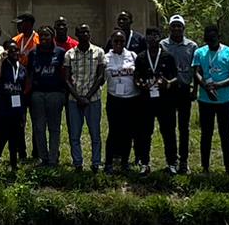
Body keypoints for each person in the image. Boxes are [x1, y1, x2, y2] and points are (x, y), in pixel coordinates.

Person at [192, 21, 229, 175]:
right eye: (207, 39)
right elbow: (197, 72)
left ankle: (228, 167)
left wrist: (217, 85)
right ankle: (205, 167)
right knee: (206, 133)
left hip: (225, 100)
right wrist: (205, 86)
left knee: (225, 133)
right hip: (205, 100)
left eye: (213, 38)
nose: (210, 42)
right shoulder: (200, 53)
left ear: (219, 37)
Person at [61, 21, 105, 171]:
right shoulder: (69, 54)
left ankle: (96, 162)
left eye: (87, 32)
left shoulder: (99, 52)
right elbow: (66, 79)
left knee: (95, 134)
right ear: (77, 35)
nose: (85, 34)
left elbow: (100, 77)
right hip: (74, 100)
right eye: (81, 32)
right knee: (74, 134)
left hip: (93, 99)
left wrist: (87, 96)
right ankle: (78, 163)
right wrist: (78, 97)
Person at [152, 15, 193, 173]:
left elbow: (195, 69)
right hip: (167, 92)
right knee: (168, 127)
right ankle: (172, 160)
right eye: (173, 26)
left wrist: (194, 89)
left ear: (183, 28)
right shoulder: (162, 45)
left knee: (184, 128)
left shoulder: (191, 46)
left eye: (179, 26)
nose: (176, 29)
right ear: (169, 28)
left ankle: (184, 161)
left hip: (183, 90)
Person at [102, 15, 143, 171]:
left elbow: (138, 76)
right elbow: (101, 79)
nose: (119, 44)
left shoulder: (132, 56)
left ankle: (125, 162)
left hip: (131, 100)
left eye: (121, 41)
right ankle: (109, 163)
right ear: (112, 42)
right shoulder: (106, 58)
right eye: (116, 41)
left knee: (128, 132)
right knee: (113, 132)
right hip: (114, 100)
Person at [26, 18, 68, 165]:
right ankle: (43, 158)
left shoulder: (60, 52)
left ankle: (53, 158)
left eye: (47, 36)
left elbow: (65, 75)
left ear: (52, 37)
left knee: (54, 127)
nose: (44, 38)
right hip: (37, 94)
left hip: (55, 94)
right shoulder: (33, 53)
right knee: (39, 127)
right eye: (42, 35)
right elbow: (30, 74)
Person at [0, 34, 26, 171]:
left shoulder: (21, 68)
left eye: (16, 50)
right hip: (2, 108)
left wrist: (22, 112)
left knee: (15, 138)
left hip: (17, 108)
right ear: (6, 52)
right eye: (11, 50)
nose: (15, 53)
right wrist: (0, 61)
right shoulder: (3, 66)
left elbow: (23, 89)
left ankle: (14, 163)